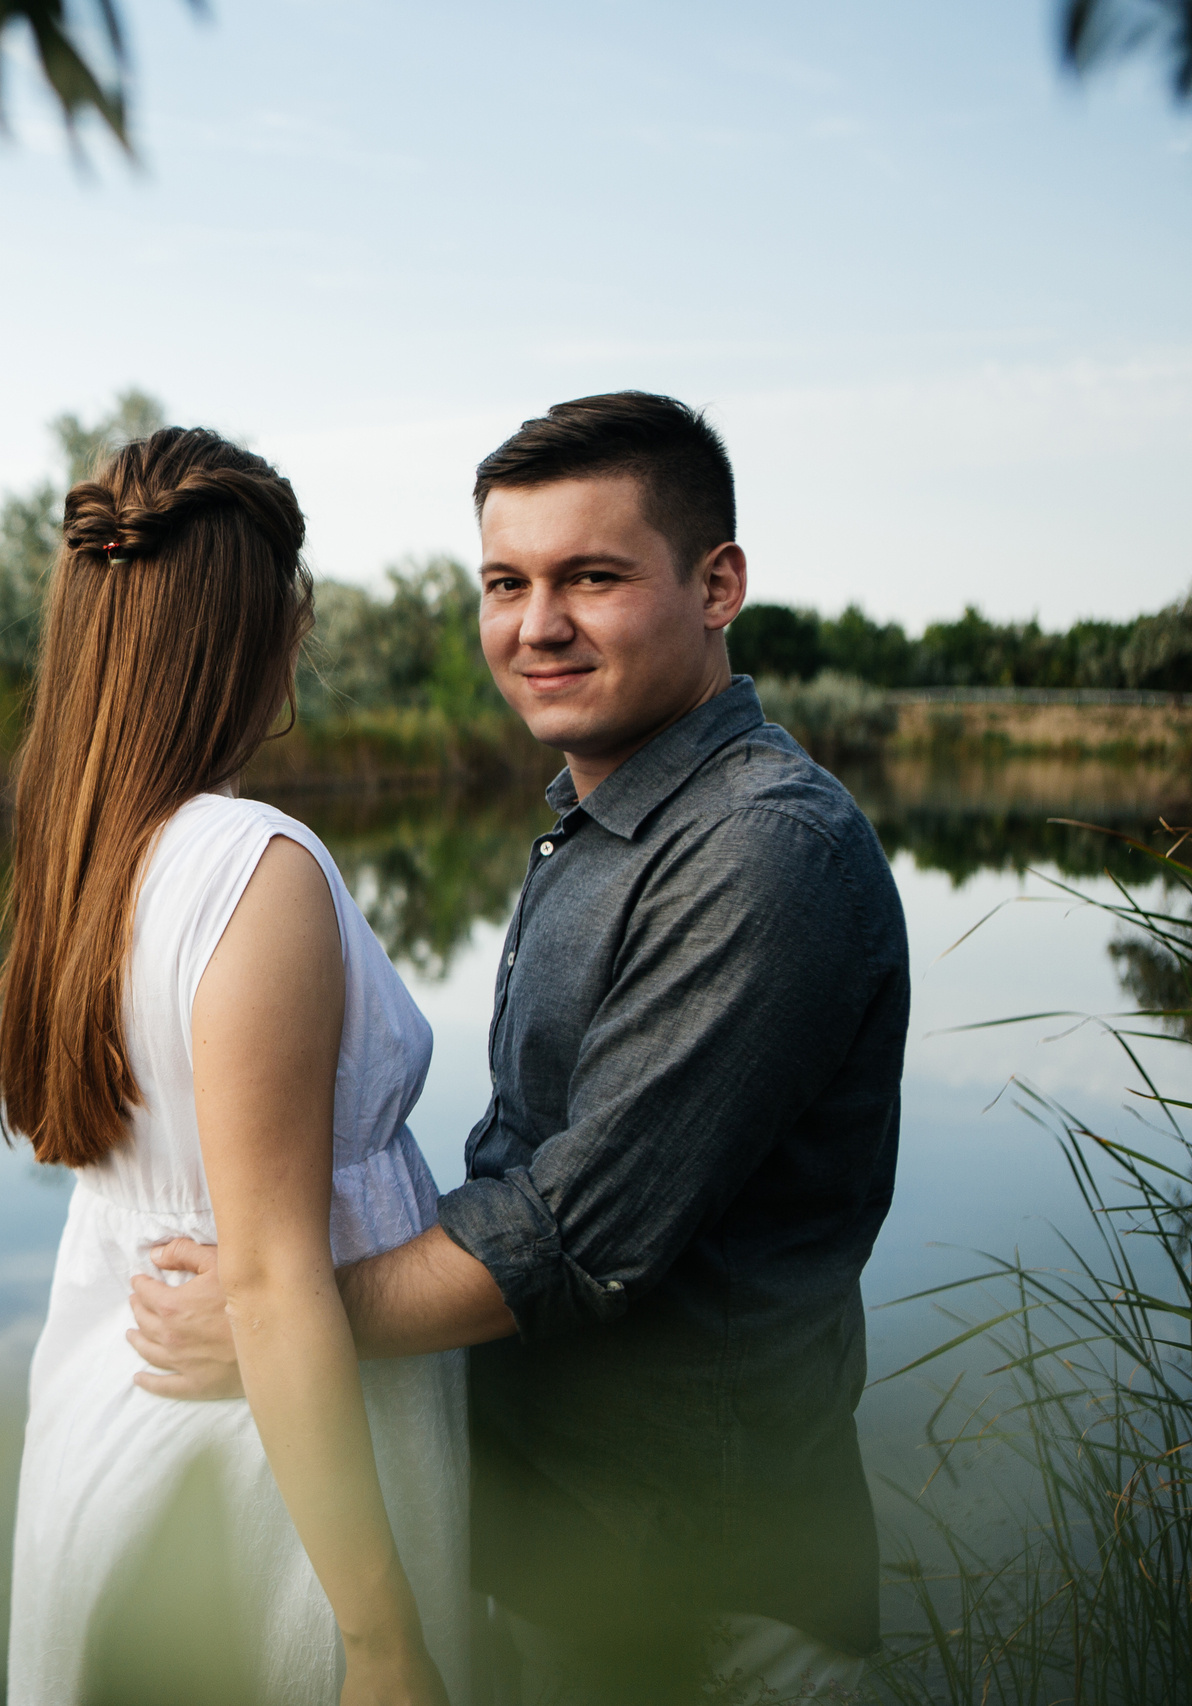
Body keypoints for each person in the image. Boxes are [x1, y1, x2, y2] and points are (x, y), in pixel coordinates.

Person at [125, 393, 909, 1702]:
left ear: (718, 585)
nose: (536, 624)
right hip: (570, 1554)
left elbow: (576, 1229)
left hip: (705, 1587)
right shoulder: (608, 819)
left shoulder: (763, 850)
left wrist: (275, 1320)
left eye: (590, 577)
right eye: (506, 580)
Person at [0, 427, 468, 1705]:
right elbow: (266, 1277)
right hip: (262, 1468)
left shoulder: (90, 850)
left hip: (110, 1405)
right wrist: (378, 1636)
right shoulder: (257, 868)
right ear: (270, 628)